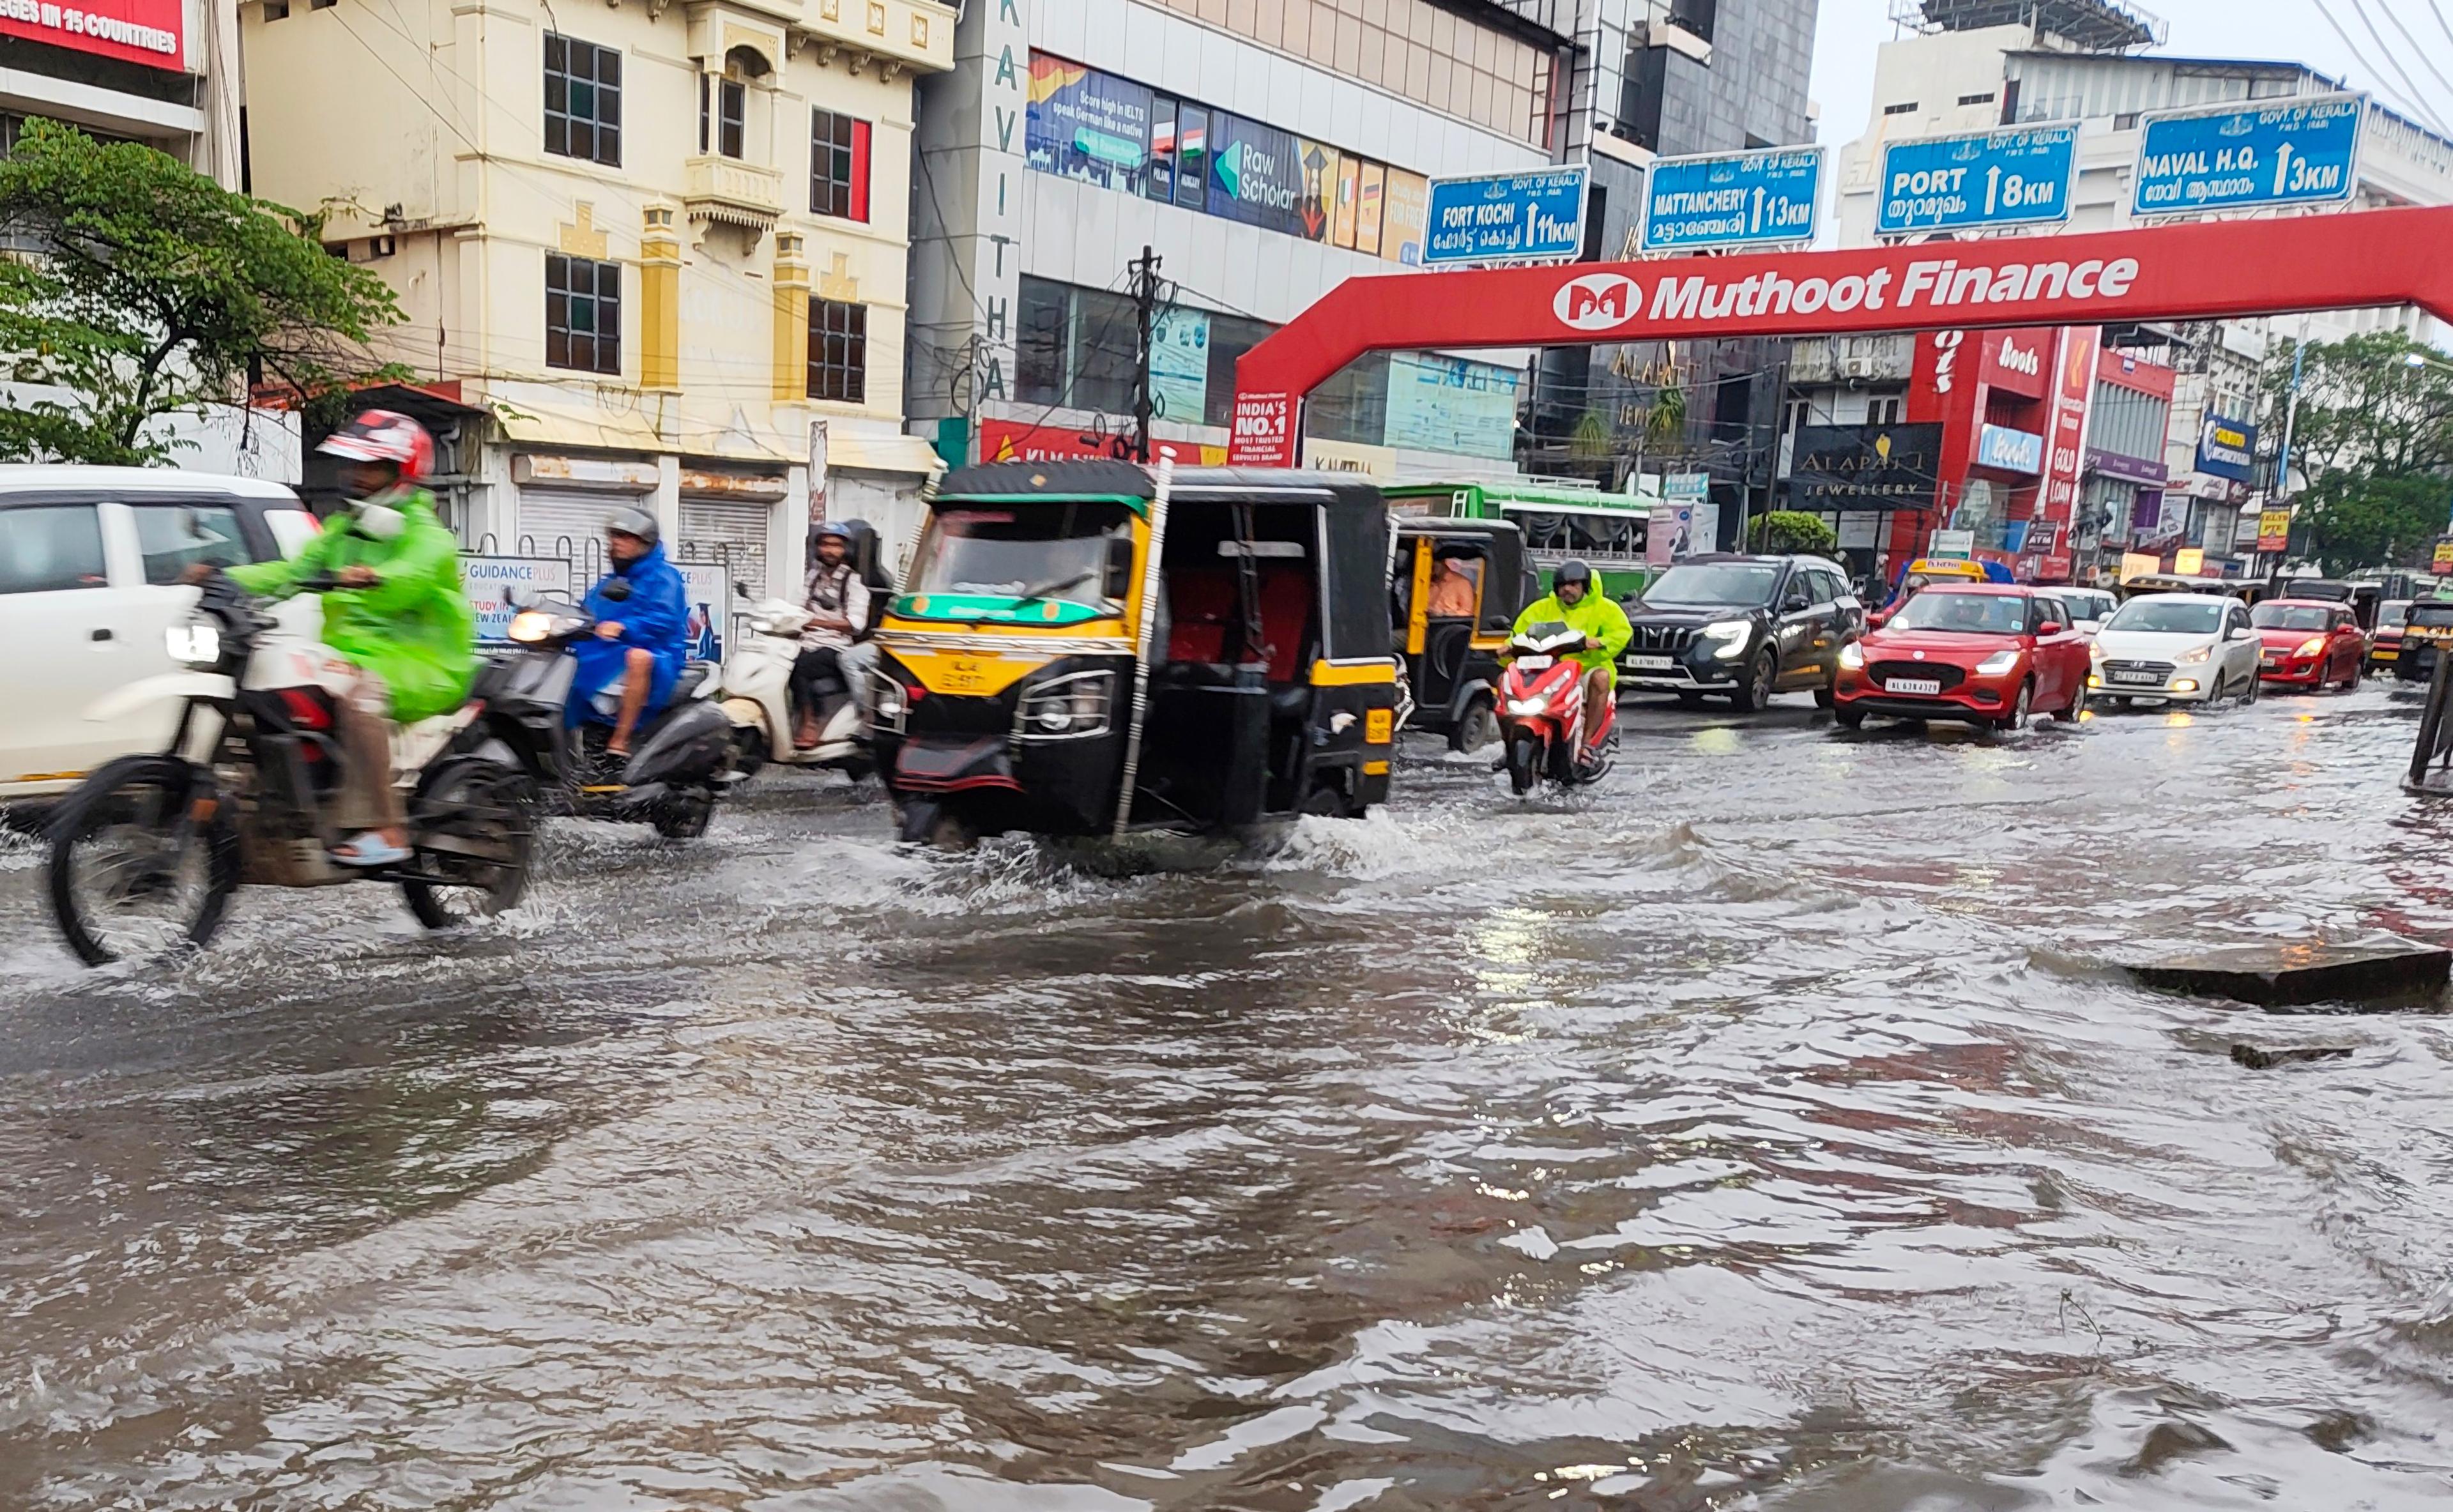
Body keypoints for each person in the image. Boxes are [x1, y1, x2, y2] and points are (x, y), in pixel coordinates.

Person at [212, 410, 475, 867]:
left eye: (371, 465)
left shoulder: (428, 536)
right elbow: (292, 574)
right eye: (356, 464)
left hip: (421, 660)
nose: (358, 474)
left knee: (360, 696)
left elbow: (410, 575)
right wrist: (228, 579)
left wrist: (374, 575)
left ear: (401, 472)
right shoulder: (341, 530)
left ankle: (387, 829)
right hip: (347, 653)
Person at [570, 505, 687, 760]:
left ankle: (620, 742)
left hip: (657, 650)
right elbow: (588, 609)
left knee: (638, 658)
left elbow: (666, 618)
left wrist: (625, 627)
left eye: (625, 537)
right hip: (609, 647)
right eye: (614, 536)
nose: (616, 543)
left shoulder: (664, 577)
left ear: (645, 543)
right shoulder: (613, 580)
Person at [1510, 558, 1632, 755]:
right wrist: (1508, 646)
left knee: (1601, 678)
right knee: (1506, 680)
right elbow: (1518, 634)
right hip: (1546, 669)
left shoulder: (1606, 608)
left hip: (1584, 669)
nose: (1567, 589)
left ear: (1585, 586)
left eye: (1574, 584)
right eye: (1562, 585)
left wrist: (1600, 642)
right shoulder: (1541, 608)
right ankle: (1509, 744)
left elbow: (1621, 633)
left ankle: (1587, 744)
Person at [793, 522, 872, 747]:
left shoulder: (853, 582)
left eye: (836, 546)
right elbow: (796, 606)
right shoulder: (812, 578)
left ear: (846, 550)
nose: (830, 550)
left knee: (802, 665)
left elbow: (856, 624)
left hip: (836, 647)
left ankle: (811, 721)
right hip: (806, 641)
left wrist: (816, 622)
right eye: (826, 545)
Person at [1425, 551, 1481, 618]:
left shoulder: (1462, 584)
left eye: (1433, 566)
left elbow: (1467, 613)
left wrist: (1447, 613)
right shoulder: (1425, 584)